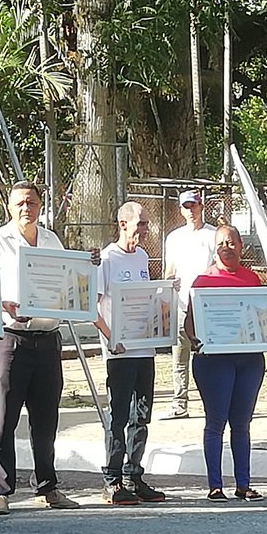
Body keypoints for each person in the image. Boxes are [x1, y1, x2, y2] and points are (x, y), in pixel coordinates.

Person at [0, 180, 91, 514]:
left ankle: (47, 487)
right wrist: (4, 305)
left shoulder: (52, 239)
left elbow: (65, 283)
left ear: (41, 205)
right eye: (21, 202)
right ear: (9, 206)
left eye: (32, 202)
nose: (27, 208)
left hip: (48, 339)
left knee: (47, 416)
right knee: (3, 418)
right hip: (8, 340)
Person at [94, 201, 168, 505]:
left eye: (146, 224)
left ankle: (134, 474)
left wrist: (167, 295)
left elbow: (147, 299)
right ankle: (112, 478)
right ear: (123, 224)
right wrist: (112, 339)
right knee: (118, 416)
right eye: (140, 223)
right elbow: (93, 308)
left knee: (142, 414)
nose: (144, 229)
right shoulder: (106, 259)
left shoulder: (141, 257)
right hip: (120, 352)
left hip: (144, 349)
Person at [185, 225, 266, 502]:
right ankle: (215, 485)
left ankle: (243, 484)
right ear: (214, 248)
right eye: (221, 243)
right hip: (213, 362)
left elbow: (261, 317)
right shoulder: (202, 281)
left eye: (232, 242)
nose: (226, 247)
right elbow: (189, 322)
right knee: (216, 422)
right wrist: (194, 339)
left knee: (242, 424)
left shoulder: (252, 279)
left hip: (248, 360)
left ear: (241, 246)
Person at [162, 190, 217, 420]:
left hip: (205, 308)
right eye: (186, 206)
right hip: (181, 305)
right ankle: (179, 402)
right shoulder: (174, 237)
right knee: (179, 357)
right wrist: (165, 300)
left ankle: (212, 402)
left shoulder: (213, 235)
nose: (191, 210)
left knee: (208, 357)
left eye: (194, 205)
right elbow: (170, 271)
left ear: (201, 206)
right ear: (181, 210)